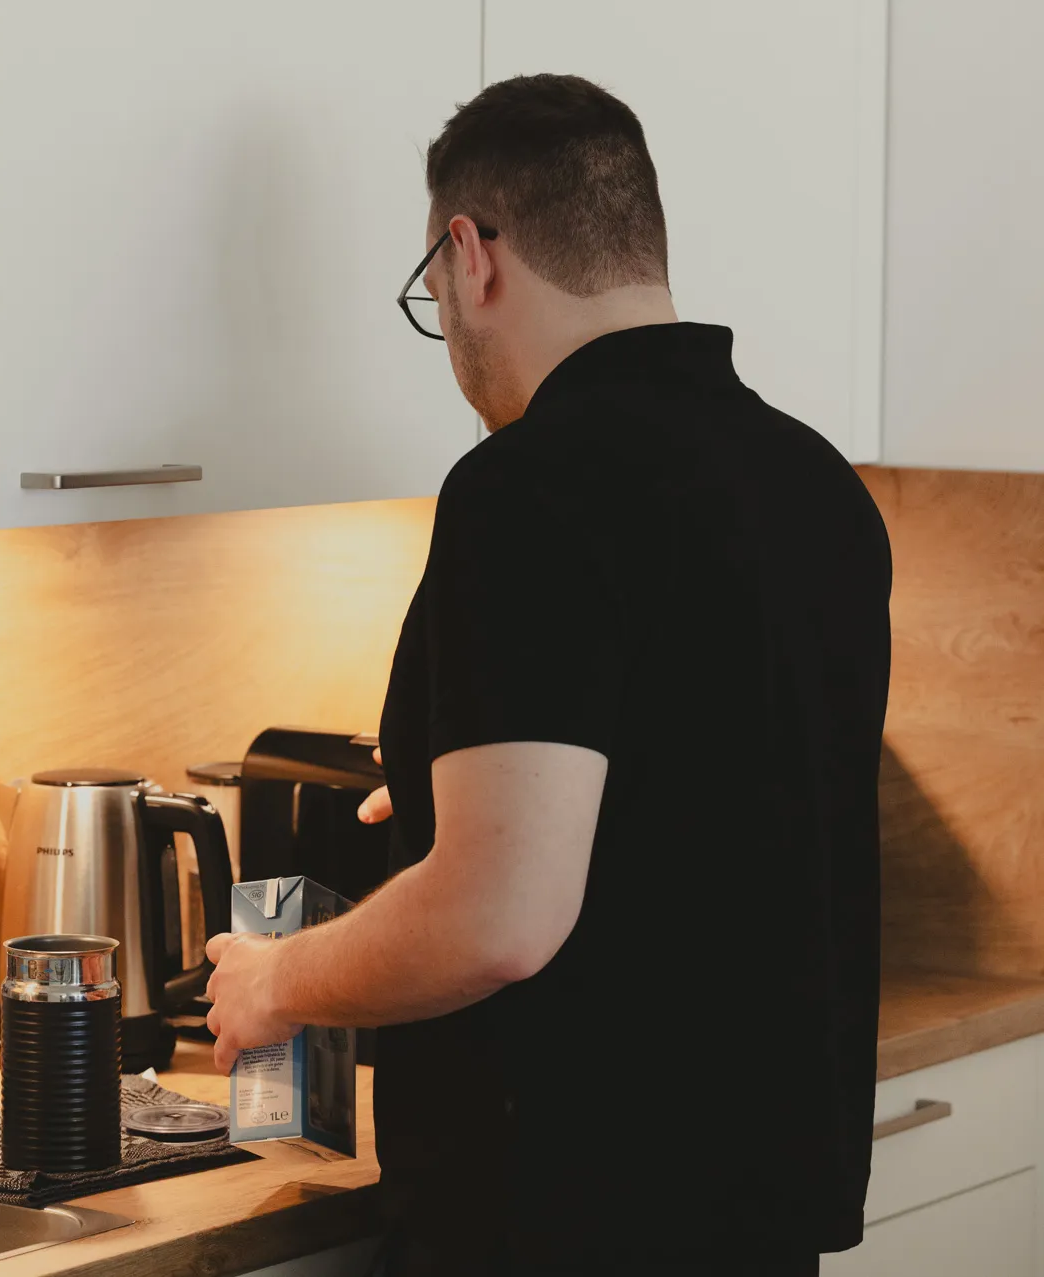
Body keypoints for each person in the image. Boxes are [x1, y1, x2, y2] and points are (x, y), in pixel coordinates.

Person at [204, 73, 892, 1276]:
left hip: (565, 1222)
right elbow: (711, 788)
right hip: (756, 1220)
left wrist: (278, 980)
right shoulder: (812, 483)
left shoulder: (526, 488)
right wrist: (455, 786)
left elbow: (499, 919)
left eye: (431, 293)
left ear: (469, 254)